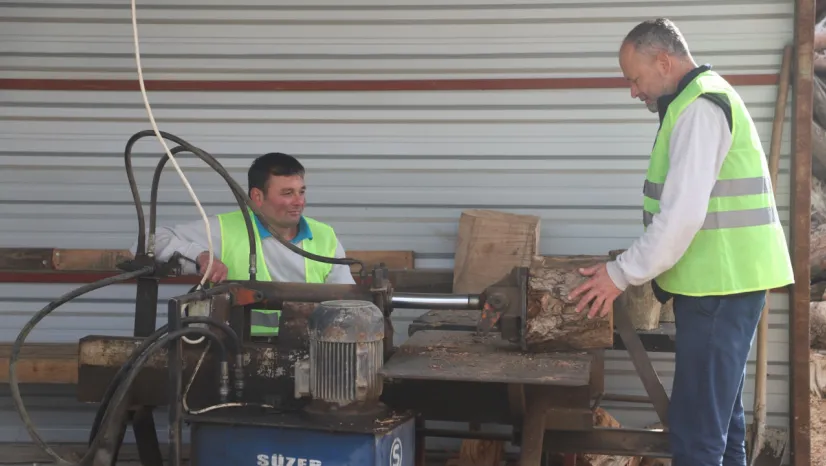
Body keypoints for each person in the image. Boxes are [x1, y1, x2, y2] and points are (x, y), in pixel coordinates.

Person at [567, 18, 795, 466]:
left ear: (663, 60)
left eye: (635, 78)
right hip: (722, 287)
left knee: (696, 435)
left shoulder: (699, 110)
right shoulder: (698, 101)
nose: (633, 91)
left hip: (720, 289)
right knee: (721, 424)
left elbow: (681, 218)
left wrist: (619, 275)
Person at [134, 152, 355, 337]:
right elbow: (145, 243)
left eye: (301, 192)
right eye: (287, 193)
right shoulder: (224, 229)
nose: (299, 202)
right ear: (257, 197)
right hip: (238, 348)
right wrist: (199, 256)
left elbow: (348, 305)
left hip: (311, 347)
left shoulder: (324, 236)